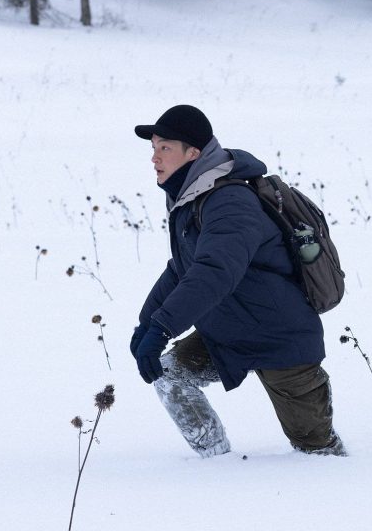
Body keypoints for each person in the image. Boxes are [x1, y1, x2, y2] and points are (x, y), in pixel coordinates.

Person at [129, 104, 345, 457]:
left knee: (318, 452)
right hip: (230, 333)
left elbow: (214, 272)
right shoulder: (192, 198)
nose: (154, 158)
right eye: (153, 148)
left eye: (164, 148)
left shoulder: (229, 202)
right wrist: (147, 323)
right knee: (170, 375)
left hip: (280, 338)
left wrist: (163, 327)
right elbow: (183, 268)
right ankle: (217, 465)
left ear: (193, 153)